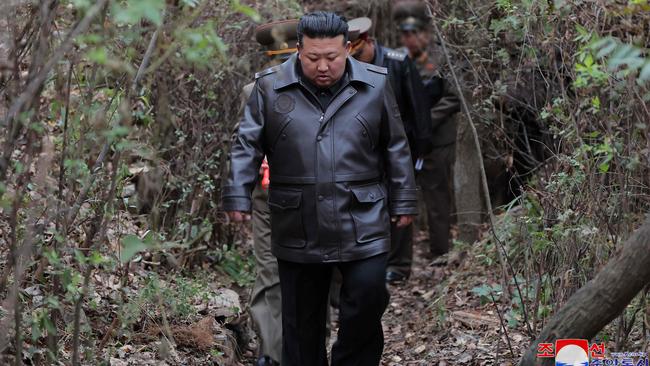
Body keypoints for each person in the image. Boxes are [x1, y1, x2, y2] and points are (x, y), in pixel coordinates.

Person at [222, 11, 418, 366]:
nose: (323, 66)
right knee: (301, 321)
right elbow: (246, 145)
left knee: (369, 296)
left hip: (363, 215)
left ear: (348, 49)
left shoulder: (375, 84)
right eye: (313, 58)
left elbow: (396, 146)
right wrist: (237, 193)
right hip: (298, 219)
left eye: (332, 57)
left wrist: (404, 200)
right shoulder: (268, 86)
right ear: (299, 50)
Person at [348, 16, 432, 283]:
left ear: (369, 41)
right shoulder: (347, 68)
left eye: (360, 52)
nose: (357, 57)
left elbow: (418, 107)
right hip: (366, 151)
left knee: (401, 203)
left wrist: (420, 149)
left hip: (399, 147)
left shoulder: (397, 61)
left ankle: (399, 265)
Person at [241, 19, 299, 366]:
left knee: (311, 275)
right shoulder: (253, 91)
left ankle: (302, 350)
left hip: (313, 198)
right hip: (268, 196)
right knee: (269, 273)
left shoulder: (327, 89)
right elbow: (245, 145)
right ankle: (273, 354)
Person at [393, 1, 461, 259]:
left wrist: (425, 121)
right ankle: (399, 259)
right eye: (405, 34)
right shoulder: (398, 59)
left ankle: (440, 253)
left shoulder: (441, 58)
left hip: (437, 140)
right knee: (401, 199)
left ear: (426, 32)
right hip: (406, 141)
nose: (410, 39)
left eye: (415, 33)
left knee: (437, 200)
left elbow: (454, 98)